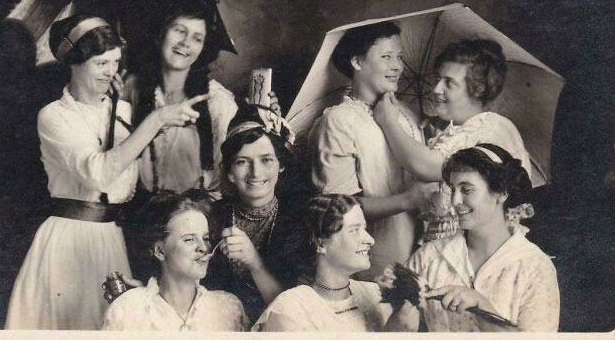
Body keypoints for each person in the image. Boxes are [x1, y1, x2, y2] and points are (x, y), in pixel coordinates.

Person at [5, 14, 210, 329]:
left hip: (111, 236)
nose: (111, 71)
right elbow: (97, 174)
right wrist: (154, 122)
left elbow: (132, 176)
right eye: (101, 63)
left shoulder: (122, 110)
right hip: (69, 241)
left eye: (115, 62)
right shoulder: (53, 116)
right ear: (74, 63)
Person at [372, 38, 531, 240]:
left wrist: (388, 122)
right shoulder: (465, 130)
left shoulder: (490, 128)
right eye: (437, 79)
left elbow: (425, 166)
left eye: (449, 83)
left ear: (478, 89)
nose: (436, 89)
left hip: (480, 247)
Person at [399, 145, 559, 331]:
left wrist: (483, 309)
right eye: (453, 190)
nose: (455, 201)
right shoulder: (428, 257)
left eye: (466, 190)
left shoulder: (534, 267)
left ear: (501, 193)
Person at [309, 22, 425, 276]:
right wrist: (409, 199)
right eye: (386, 57)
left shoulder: (409, 113)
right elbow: (337, 208)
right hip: (375, 252)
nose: (397, 66)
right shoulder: (339, 120)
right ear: (357, 62)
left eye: (399, 57)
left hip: (424, 246)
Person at [124, 1, 238, 196]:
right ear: (160, 34)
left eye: (197, 38)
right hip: (136, 208)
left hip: (194, 209)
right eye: (179, 31)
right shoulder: (132, 88)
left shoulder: (216, 100)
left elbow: (229, 175)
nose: (185, 42)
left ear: (203, 48)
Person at [206, 103, 304, 322]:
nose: (256, 172)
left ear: (281, 165)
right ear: (229, 172)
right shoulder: (212, 217)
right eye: (242, 162)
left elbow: (296, 311)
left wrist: (254, 262)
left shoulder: (300, 220)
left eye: (266, 160)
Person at [253, 194, 408, 331]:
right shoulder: (290, 311)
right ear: (320, 243)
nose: (370, 240)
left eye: (365, 229)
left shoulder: (374, 295)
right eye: (354, 230)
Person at [102, 190, 249, 330]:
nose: (204, 248)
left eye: (205, 238)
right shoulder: (126, 309)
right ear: (160, 251)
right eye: (189, 239)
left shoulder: (229, 309)